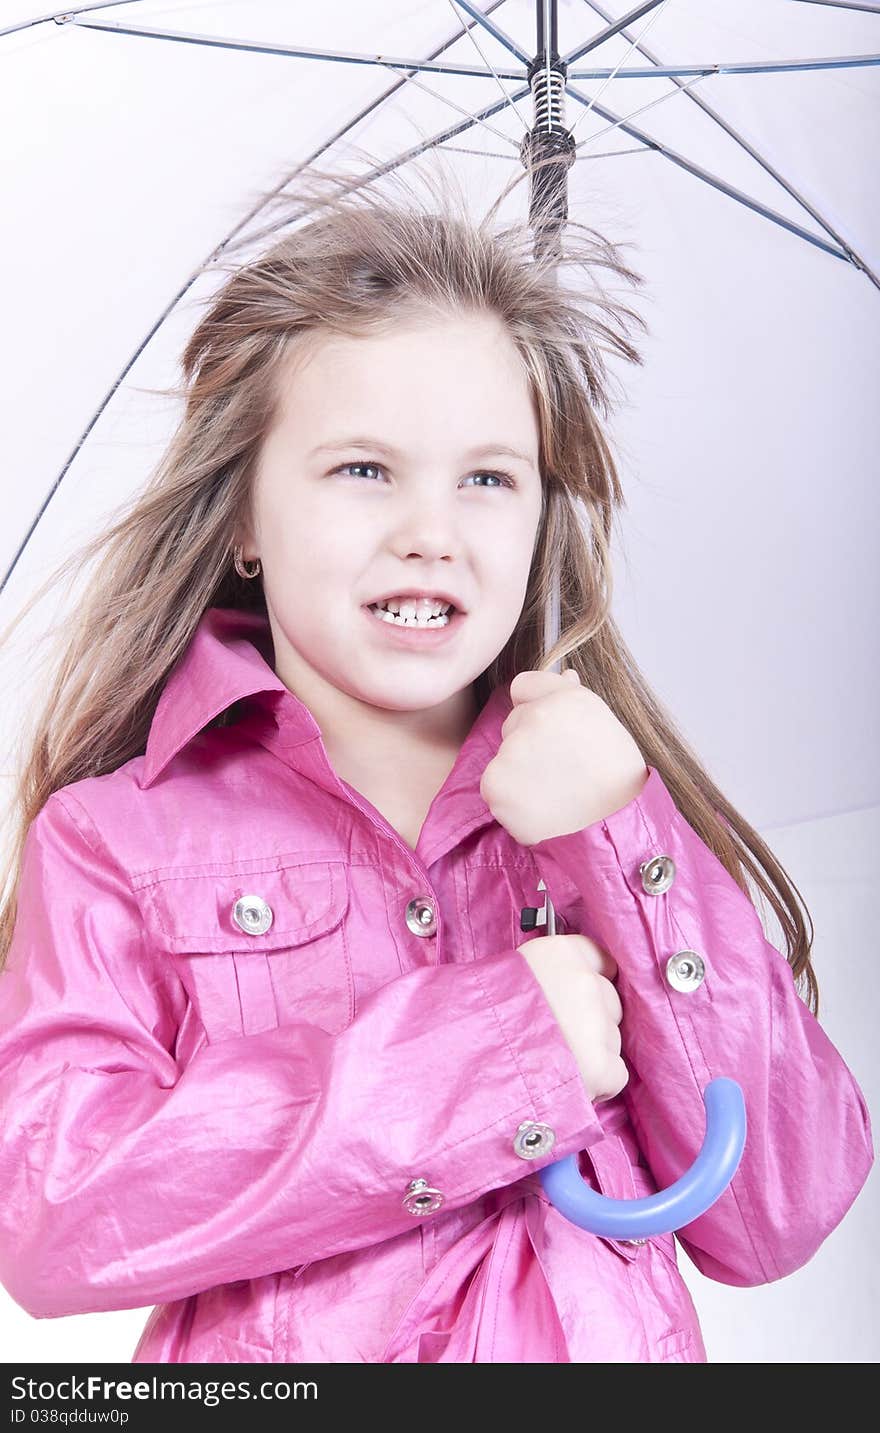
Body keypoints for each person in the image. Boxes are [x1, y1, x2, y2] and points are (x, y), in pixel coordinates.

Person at [0, 162, 872, 1364]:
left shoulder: (607, 818)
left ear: (538, 514)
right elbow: (50, 1215)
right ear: (244, 518)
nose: (432, 529)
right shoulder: (117, 839)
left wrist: (628, 832)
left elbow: (775, 1210)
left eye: (488, 477)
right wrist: (496, 1050)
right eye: (364, 469)